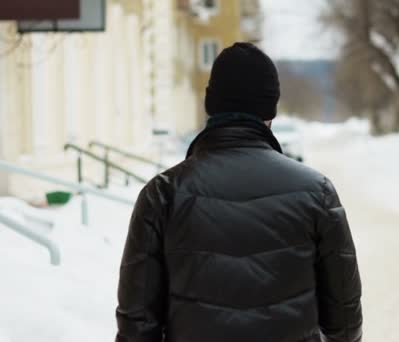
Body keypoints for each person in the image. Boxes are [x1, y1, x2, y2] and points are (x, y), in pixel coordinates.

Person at [115, 42, 362, 342]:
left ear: (210, 104)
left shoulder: (163, 195)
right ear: (270, 111)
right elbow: (345, 324)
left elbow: (137, 326)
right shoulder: (316, 193)